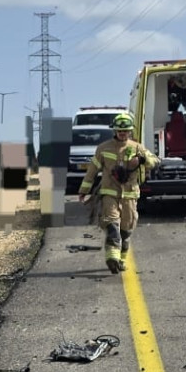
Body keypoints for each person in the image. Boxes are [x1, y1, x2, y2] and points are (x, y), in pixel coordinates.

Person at [78, 112, 159, 274]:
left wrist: (141, 160)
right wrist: (83, 190)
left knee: (126, 229)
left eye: (126, 131)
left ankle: (121, 259)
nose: (123, 134)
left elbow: (155, 161)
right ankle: (112, 258)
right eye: (120, 131)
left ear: (130, 131)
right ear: (114, 131)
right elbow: (92, 171)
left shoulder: (137, 147)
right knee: (112, 224)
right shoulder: (103, 148)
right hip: (110, 193)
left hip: (130, 194)